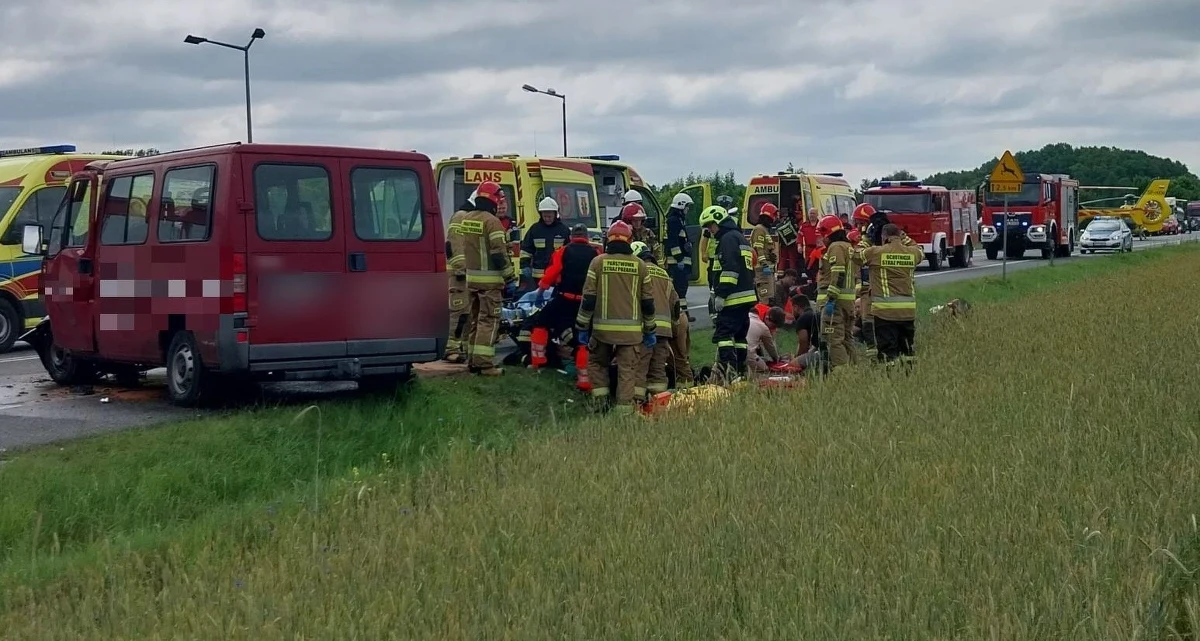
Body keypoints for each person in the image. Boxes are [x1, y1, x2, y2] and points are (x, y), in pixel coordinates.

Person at [575, 221, 657, 411]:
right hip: (631, 333)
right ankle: (624, 413)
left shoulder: (597, 263)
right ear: (630, 240)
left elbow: (588, 299)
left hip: (601, 331)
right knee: (627, 370)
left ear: (608, 240)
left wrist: (582, 326)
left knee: (597, 364)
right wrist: (650, 329)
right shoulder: (640, 266)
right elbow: (648, 302)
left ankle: (601, 405)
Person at [522, 223, 599, 371]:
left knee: (540, 322)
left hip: (564, 300)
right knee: (583, 338)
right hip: (585, 302)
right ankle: (584, 376)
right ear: (587, 237)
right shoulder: (596, 254)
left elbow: (552, 273)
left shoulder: (563, 251)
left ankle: (538, 361)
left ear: (571, 237)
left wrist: (540, 292)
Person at [460, 181, 518, 375]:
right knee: (489, 320)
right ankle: (484, 364)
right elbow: (498, 253)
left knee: (475, 320)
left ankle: (472, 360)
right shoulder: (492, 222)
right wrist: (509, 278)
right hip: (490, 282)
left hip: (471, 280)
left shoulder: (467, 218)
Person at [701, 204, 757, 379]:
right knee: (740, 337)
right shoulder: (739, 237)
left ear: (719, 222)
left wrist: (721, 295)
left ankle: (730, 375)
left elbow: (730, 270)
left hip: (733, 298)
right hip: (745, 297)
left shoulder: (727, 239)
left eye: (710, 226)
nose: (710, 230)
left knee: (723, 335)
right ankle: (741, 372)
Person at [857, 223, 924, 365]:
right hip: (907, 312)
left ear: (883, 237)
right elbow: (920, 250)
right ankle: (908, 374)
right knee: (907, 351)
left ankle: (891, 375)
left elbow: (856, 255)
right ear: (899, 235)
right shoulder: (911, 253)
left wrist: (866, 239)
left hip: (885, 312)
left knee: (888, 353)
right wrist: (904, 238)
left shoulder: (876, 253)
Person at [631, 240, 679, 399]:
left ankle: (637, 403)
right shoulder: (663, 273)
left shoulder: (638, 271)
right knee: (658, 370)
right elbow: (675, 303)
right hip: (664, 331)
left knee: (640, 368)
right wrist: (673, 327)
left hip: (645, 328)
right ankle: (660, 404)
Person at [815, 214, 856, 369]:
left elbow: (838, 272)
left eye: (823, 235)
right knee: (846, 338)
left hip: (836, 302)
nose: (822, 239)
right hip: (847, 301)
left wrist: (831, 298)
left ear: (828, 233)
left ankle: (841, 373)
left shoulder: (836, 247)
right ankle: (854, 370)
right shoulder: (847, 247)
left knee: (833, 339)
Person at [443, 190, 475, 363]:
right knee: (460, 312)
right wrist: (461, 268)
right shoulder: (461, 217)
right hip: (460, 276)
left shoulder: (471, 217)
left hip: (470, 275)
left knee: (469, 314)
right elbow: (452, 244)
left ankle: (465, 348)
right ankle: (451, 349)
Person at [518, 197, 571, 290]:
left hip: (557, 277)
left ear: (555, 214)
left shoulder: (564, 230)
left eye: (549, 216)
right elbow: (526, 250)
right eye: (544, 216)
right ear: (540, 214)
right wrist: (525, 266)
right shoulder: (535, 229)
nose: (547, 219)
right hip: (538, 278)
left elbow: (569, 253)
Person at [663, 192, 695, 306]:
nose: (688, 209)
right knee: (680, 290)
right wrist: (679, 258)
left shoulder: (679, 220)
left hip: (679, 263)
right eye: (687, 206)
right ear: (681, 205)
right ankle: (681, 312)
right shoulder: (674, 220)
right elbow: (673, 242)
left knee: (681, 289)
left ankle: (682, 311)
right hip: (676, 263)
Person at [751, 203, 779, 304]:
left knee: (770, 297)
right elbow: (758, 249)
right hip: (762, 270)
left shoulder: (764, 230)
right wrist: (764, 264)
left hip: (767, 270)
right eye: (773, 217)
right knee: (765, 299)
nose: (774, 220)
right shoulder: (759, 229)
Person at [746, 303, 786, 373]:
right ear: (767, 318)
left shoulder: (746, 316)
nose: (774, 329)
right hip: (748, 354)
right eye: (773, 326)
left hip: (735, 351)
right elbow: (771, 348)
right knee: (765, 370)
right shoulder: (763, 327)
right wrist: (777, 359)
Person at [790, 293, 821, 369]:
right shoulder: (815, 314)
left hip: (823, 353)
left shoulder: (802, 318)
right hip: (830, 349)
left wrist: (797, 358)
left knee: (793, 364)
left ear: (796, 307)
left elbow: (803, 342)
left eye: (792, 308)